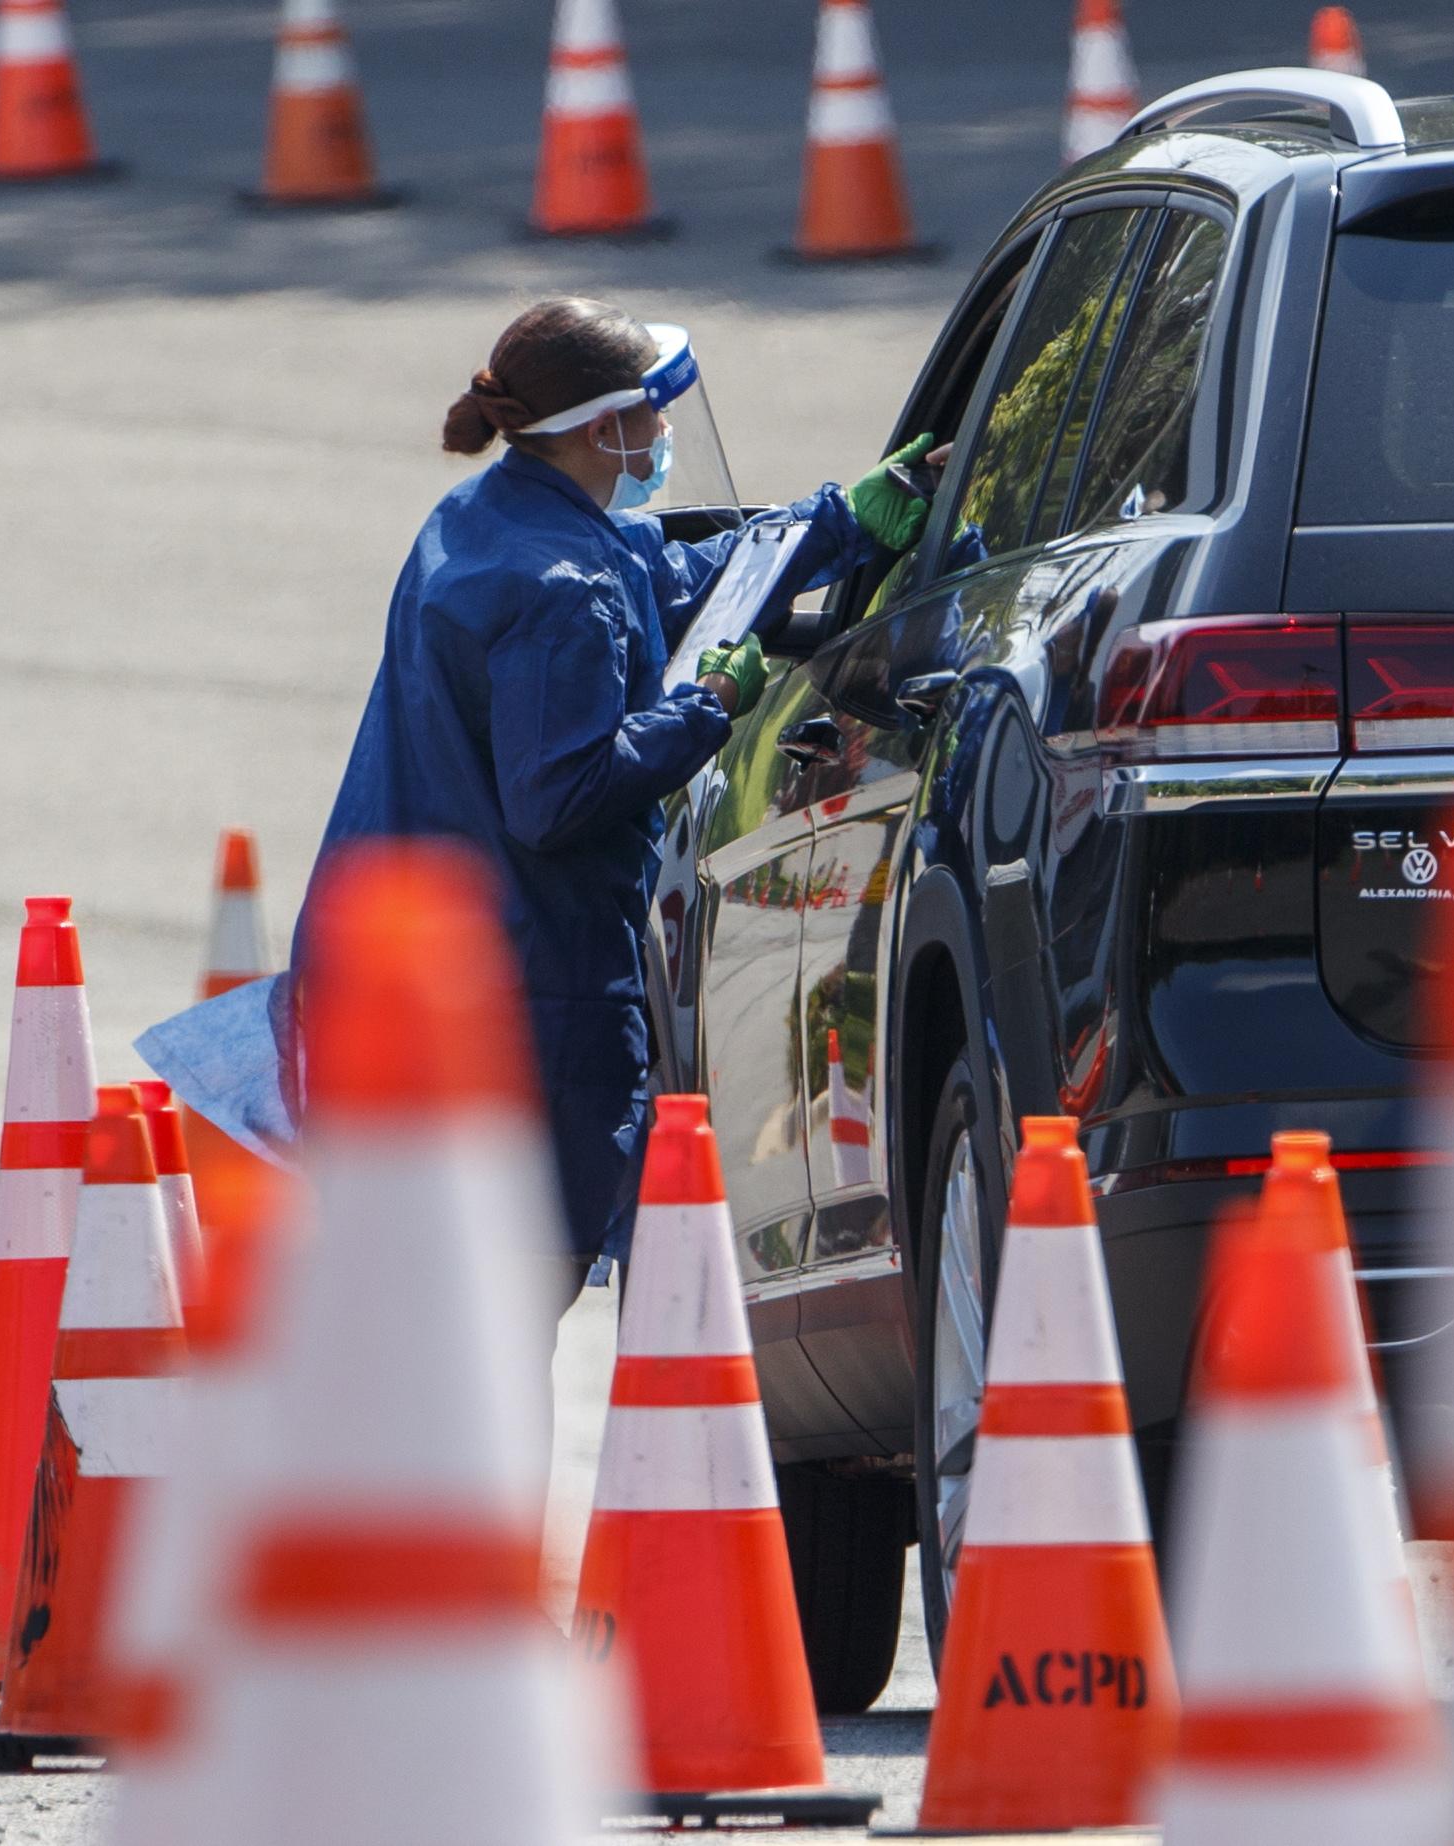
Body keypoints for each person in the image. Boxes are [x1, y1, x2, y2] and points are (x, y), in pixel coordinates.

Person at [152, 298, 938, 1283]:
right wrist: (708, 709)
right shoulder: (563, 592)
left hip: (398, 978)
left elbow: (663, 578)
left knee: (424, 1291)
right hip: (520, 1005)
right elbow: (558, 795)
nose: (662, 431)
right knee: (512, 1291)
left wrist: (834, 524)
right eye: (651, 411)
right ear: (602, 430)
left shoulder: (487, 520)